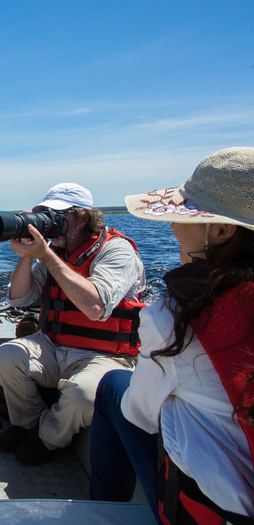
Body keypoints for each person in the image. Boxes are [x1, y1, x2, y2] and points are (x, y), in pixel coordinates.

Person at [89, 147, 254, 523]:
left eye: (185, 217)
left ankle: (102, 510)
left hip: (221, 511)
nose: (173, 227)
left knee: (115, 385)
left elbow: (141, 415)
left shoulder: (175, 318)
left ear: (222, 230)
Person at [0, 183, 146, 465]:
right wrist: (27, 256)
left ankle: (48, 438)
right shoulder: (55, 252)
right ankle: (26, 425)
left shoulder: (117, 251)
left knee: (85, 395)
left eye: (58, 215)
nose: (51, 223)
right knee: (6, 356)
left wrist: (46, 256)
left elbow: (96, 307)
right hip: (54, 345)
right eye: (45, 214)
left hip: (104, 356)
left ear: (83, 217)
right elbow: (19, 298)